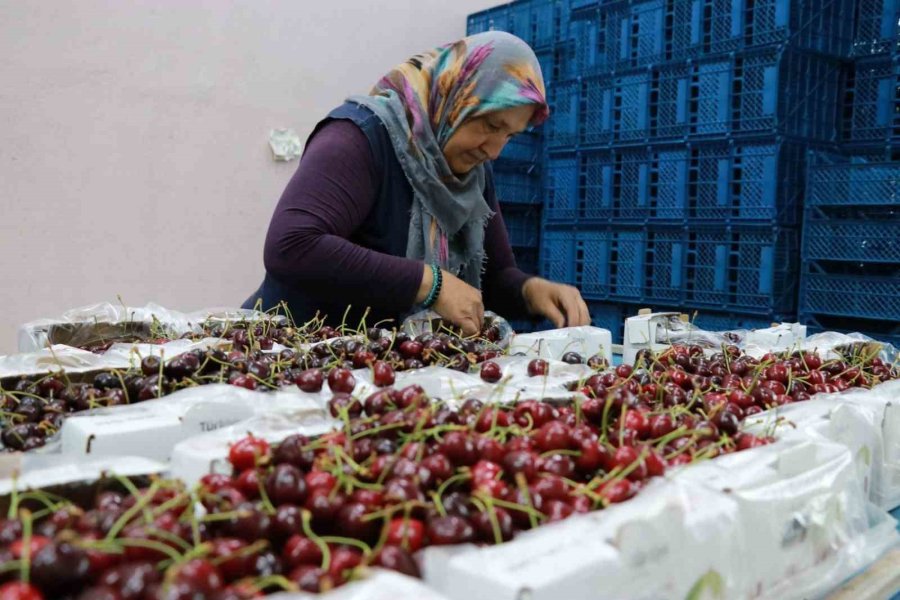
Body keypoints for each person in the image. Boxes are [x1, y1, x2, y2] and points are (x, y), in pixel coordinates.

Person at [243, 31, 590, 335]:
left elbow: (493, 280)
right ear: (454, 97)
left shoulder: (471, 172)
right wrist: (430, 283)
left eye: (510, 135)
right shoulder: (358, 140)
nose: (496, 150)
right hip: (295, 360)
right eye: (491, 125)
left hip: (381, 377)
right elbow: (292, 246)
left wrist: (532, 291)